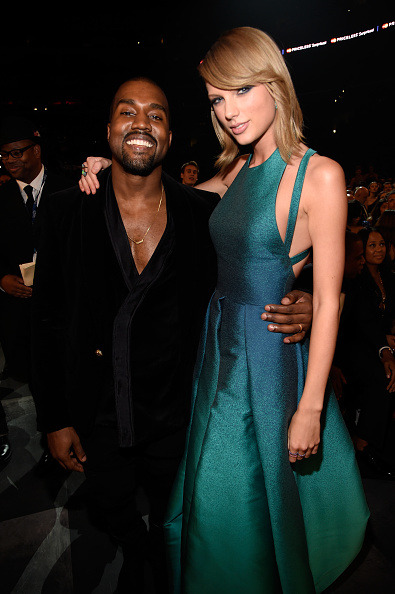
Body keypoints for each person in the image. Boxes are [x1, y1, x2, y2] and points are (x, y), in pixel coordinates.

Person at [33, 76, 313, 594]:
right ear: (108, 128)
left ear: (170, 135)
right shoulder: (66, 209)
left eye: (156, 115)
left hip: (179, 418)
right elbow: (47, 319)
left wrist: (308, 298)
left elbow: (262, 259)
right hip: (96, 415)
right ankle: (136, 549)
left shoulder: (203, 214)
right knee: (110, 508)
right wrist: (54, 417)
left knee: (176, 518)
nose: (141, 123)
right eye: (127, 112)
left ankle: (158, 564)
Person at [162, 27, 369, 594]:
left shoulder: (318, 175)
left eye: (241, 90)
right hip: (218, 351)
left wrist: (309, 409)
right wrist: (111, 169)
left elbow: (328, 301)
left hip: (267, 362)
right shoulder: (237, 169)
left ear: (275, 84)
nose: (229, 111)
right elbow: (168, 199)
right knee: (214, 489)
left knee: (233, 491)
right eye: (217, 100)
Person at [0, 116, 74, 474]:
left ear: (36, 151)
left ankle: (66, 433)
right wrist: (1, 280)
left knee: (65, 371)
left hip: (62, 308)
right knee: (32, 373)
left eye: (16, 153)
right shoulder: (0, 197)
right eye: (4, 156)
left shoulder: (69, 189)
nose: (10, 161)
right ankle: (48, 432)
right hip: (19, 311)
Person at [336, 227, 395, 479]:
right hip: (348, 347)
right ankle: (364, 444)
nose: (378, 250)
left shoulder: (388, 276)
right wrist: (384, 347)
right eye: (371, 246)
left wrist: (387, 344)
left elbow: (379, 321)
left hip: (376, 342)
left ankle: (378, 443)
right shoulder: (350, 279)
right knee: (380, 376)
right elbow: (361, 323)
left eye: (381, 244)